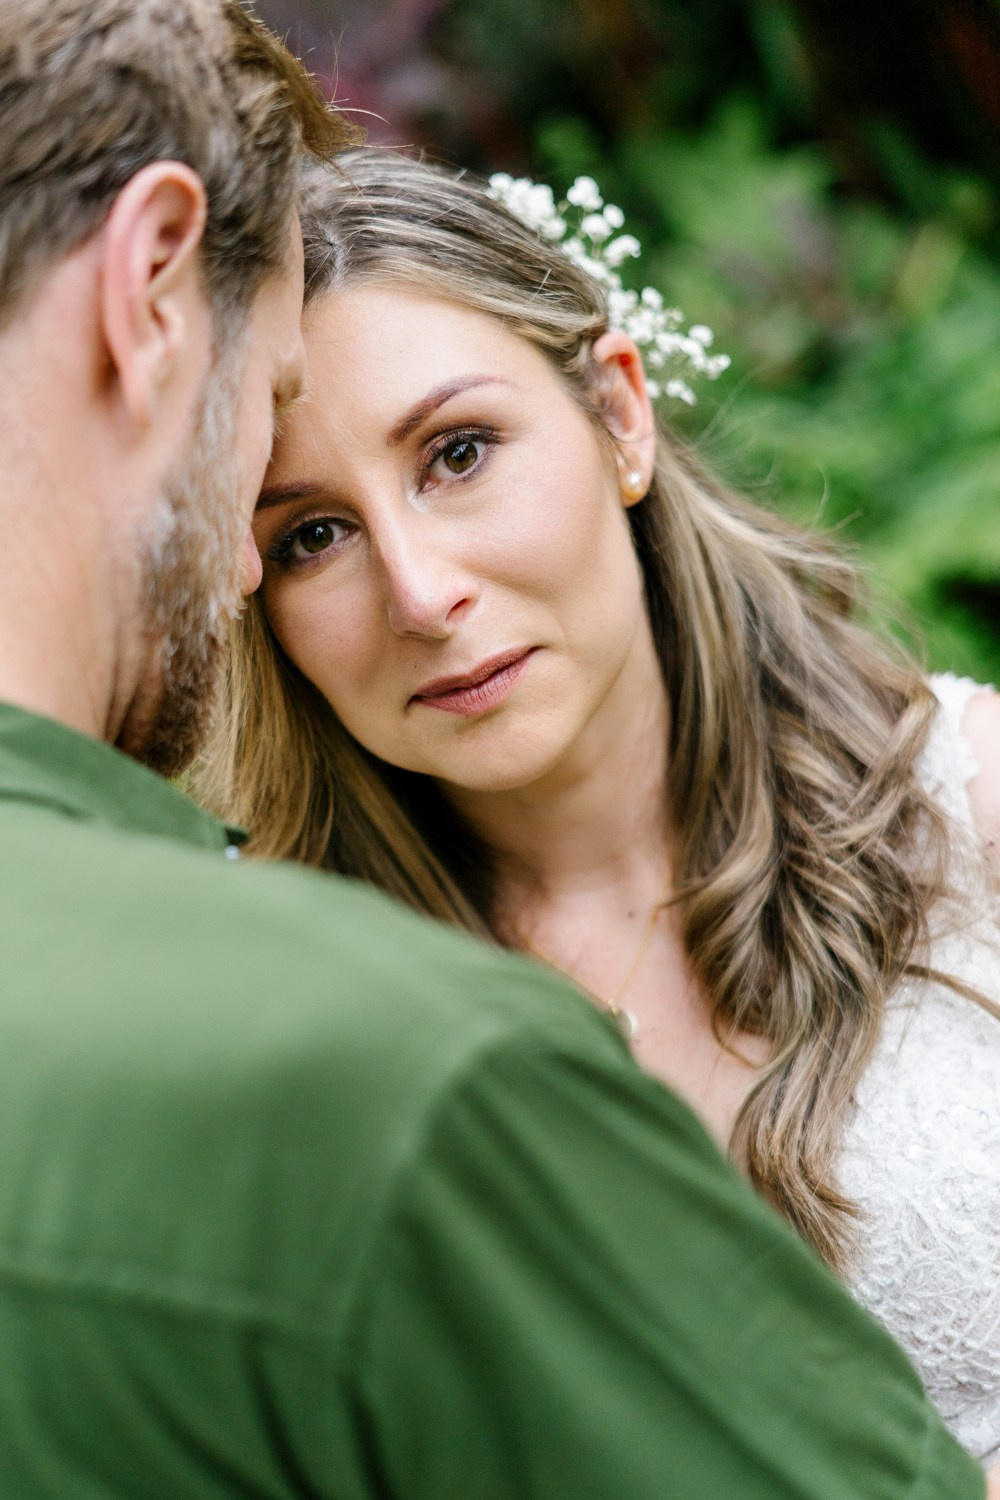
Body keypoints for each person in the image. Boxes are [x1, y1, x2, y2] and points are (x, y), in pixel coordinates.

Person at [0, 6, 990, 1495]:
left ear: (619, 416)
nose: (419, 590)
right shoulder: (297, 1008)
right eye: (313, 533)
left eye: (459, 453)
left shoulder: (976, 806)